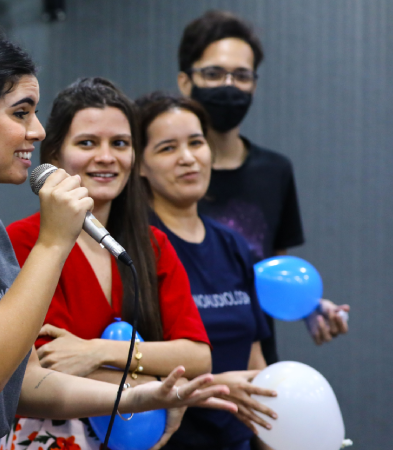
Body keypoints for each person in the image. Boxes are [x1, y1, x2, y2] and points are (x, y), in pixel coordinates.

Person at [0, 25, 236, 450]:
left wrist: (136, 396)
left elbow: (26, 380)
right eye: (21, 113)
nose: (36, 131)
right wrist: (55, 241)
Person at [2, 78, 213, 450]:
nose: (106, 157)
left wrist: (97, 352)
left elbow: (197, 356)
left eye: (120, 143)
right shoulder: (20, 241)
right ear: (53, 156)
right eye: (87, 143)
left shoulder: (153, 245)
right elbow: (46, 367)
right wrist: (158, 383)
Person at [176, 10, 349, 354]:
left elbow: (270, 275)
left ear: (254, 83)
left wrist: (308, 307)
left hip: (255, 365)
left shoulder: (275, 172)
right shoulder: (162, 175)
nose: (229, 86)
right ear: (185, 82)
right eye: (213, 73)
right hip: (178, 369)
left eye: (241, 75)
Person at [137, 92, 278, 450]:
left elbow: (255, 360)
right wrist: (214, 387)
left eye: (196, 143)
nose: (188, 159)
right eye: (167, 148)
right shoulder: (137, 248)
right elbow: (125, 372)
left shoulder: (233, 244)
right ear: (140, 164)